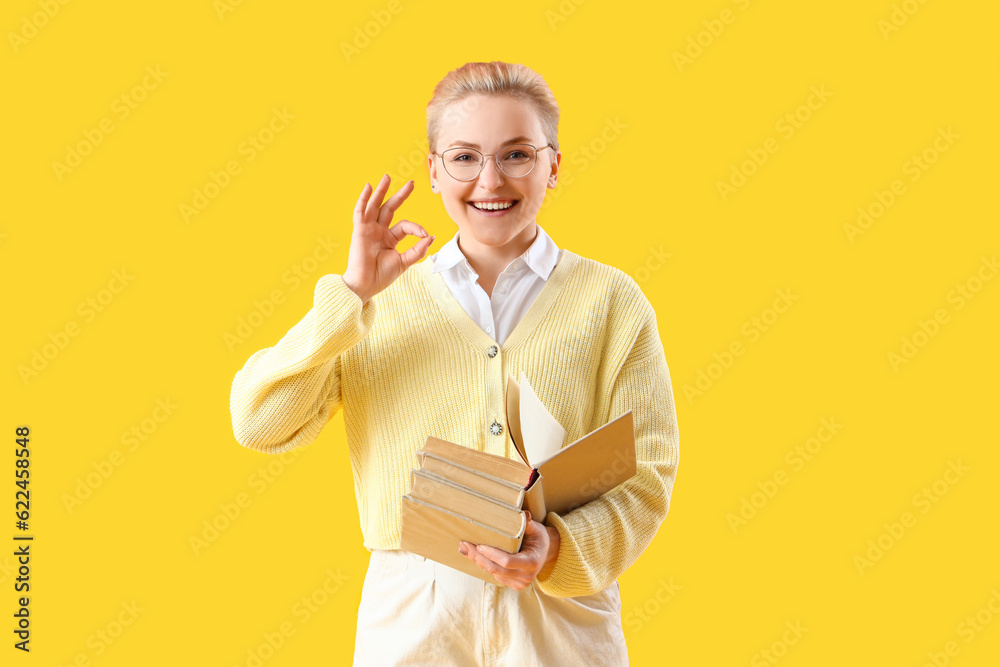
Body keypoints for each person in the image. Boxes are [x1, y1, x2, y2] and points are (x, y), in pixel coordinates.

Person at [229, 61, 680, 666]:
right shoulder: (374, 304)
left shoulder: (610, 300)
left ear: (554, 165)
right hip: (416, 619)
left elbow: (647, 472)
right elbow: (259, 421)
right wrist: (353, 294)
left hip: (559, 621)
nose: (490, 180)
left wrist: (556, 550)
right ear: (435, 172)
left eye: (517, 154)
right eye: (464, 157)